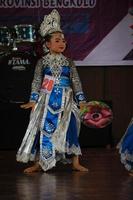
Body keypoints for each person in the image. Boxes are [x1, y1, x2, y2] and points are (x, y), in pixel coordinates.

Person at [16, 9, 88, 173]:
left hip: (66, 100)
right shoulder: (42, 63)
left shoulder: (69, 62)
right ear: (48, 44)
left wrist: (81, 100)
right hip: (46, 99)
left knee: (70, 129)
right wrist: (33, 100)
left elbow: (75, 81)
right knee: (41, 129)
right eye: (57, 40)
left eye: (63, 40)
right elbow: (36, 81)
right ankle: (38, 163)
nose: (62, 43)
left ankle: (75, 162)